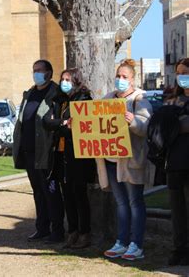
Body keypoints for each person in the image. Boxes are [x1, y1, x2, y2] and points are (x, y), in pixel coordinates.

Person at [98, 59, 154, 260]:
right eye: (118, 76)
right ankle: (121, 241)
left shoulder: (140, 99)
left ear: (132, 79)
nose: (120, 80)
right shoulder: (107, 98)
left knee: (134, 202)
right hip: (111, 159)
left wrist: (133, 121)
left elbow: (146, 126)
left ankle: (136, 244)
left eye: (124, 77)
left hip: (131, 161)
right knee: (120, 202)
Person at [13, 60, 64, 243]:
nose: (36, 74)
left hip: (46, 152)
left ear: (49, 73)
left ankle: (57, 230)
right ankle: (41, 228)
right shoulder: (30, 93)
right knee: (38, 191)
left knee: (50, 192)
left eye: (39, 70)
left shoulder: (56, 93)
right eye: (34, 70)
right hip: (29, 152)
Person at [43, 68, 95, 248]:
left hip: (78, 155)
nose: (64, 82)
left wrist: (60, 126)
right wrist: (63, 123)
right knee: (67, 195)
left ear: (75, 81)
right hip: (60, 153)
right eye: (62, 78)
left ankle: (84, 232)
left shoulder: (83, 99)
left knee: (79, 194)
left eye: (68, 79)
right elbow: (46, 121)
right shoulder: (58, 99)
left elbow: (81, 125)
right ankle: (72, 231)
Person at [165, 58, 189, 266]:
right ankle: (179, 249)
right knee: (178, 211)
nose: (181, 76)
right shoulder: (173, 100)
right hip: (174, 164)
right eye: (179, 72)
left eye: (185, 72)